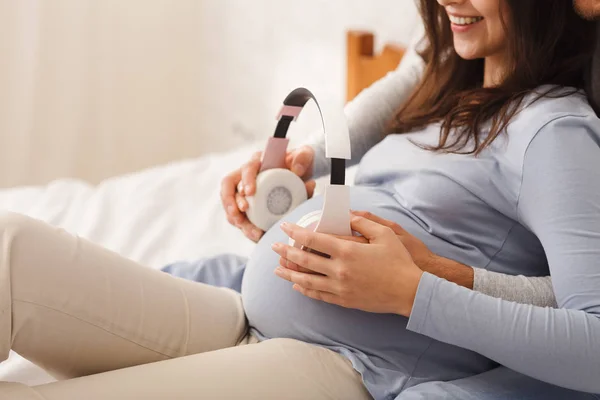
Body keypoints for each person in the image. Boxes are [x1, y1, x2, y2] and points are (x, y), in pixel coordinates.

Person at [0, 1, 597, 400]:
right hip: (244, 317)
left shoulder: (552, 132)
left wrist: (415, 291)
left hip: (347, 367)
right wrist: (297, 172)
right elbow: (395, 85)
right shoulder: (448, 80)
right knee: (9, 246)